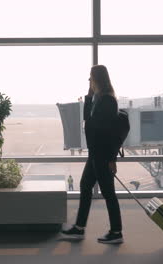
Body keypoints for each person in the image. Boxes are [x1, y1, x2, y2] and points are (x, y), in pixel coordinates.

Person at [61, 65, 123, 244]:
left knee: (108, 193)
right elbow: (87, 118)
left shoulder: (108, 101)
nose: (89, 80)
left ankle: (117, 232)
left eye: (90, 77)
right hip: (95, 153)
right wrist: (88, 96)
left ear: (98, 78)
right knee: (85, 186)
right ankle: (79, 228)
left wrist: (112, 159)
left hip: (102, 155)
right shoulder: (100, 98)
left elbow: (109, 133)